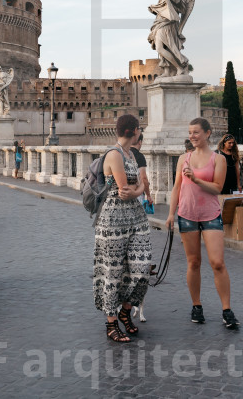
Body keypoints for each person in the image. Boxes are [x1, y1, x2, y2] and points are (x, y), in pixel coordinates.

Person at [166, 117, 240, 329]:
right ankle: (196, 305)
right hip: (187, 214)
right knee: (194, 262)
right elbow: (177, 188)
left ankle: (227, 309)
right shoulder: (184, 159)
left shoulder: (219, 159)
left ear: (207, 133)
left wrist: (197, 179)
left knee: (217, 262)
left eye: (196, 132)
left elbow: (217, 188)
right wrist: (171, 214)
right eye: (190, 132)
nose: (192, 136)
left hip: (210, 214)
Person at [93, 114, 151, 342]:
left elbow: (136, 188)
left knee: (142, 266)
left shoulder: (130, 154)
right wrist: (139, 188)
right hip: (113, 220)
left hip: (135, 218)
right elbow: (124, 189)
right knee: (113, 271)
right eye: (139, 129)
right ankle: (111, 323)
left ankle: (126, 311)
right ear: (134, 130)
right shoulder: (114, 154)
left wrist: (137, 189)